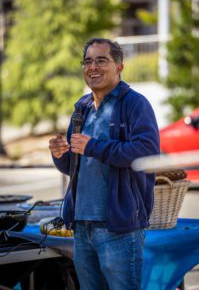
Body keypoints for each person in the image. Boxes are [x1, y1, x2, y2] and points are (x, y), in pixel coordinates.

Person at [49, 38, 160, 290]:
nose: (93, 67)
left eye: (101, 60)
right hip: (82, 225)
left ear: (119, 66)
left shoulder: (134, 104)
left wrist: (94, 147)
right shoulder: (82, 108)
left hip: (119, 228)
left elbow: (146, 152)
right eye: (87, 61)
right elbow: (72, 166)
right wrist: (59, 154)